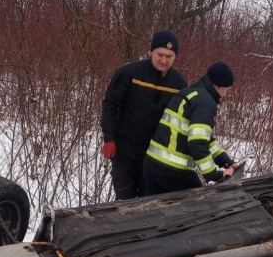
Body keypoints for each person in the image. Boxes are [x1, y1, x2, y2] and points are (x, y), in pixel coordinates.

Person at [100, 30, 187, 200]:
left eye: (169, 56)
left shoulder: (178, 82)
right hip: (125, 150)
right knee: (125, 199)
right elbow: (110, 104)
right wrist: (108, 138)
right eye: (160, 55)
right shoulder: (130, 72)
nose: (164, 60)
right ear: (151, 52)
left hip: (155, 154)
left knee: (148, 200)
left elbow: (181, 117)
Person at [143, 62, 239, 196]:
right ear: (219, 85)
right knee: (201, 204)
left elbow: (206, 139)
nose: (226, 93)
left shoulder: (190, 92)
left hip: (152, 165)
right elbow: (198, 142)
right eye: (227, 89)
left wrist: (226, 162)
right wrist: (214, 174)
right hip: (174, 171)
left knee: (153, 208)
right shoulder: (205, 103)